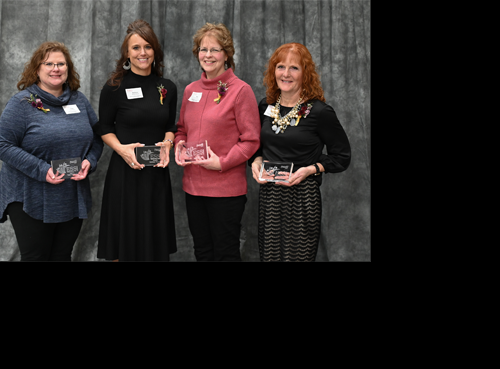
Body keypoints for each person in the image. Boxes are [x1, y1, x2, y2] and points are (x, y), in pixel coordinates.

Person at [0, 41, 103, 261]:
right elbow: (2, 145)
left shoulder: (79, 100)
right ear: (37, 69)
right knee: (36, 257)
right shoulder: (22, 103)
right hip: (29, 194)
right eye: (49, 63)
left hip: (70, 193)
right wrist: (42, 170)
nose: (56, 68)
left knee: (62, 255)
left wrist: (90, 161)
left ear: (68, 69)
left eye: (61, 64)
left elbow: (97, 138)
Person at [250, 42, 351, 262]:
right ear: (273, 70)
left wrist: (311, 169)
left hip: (302, 198)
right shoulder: (265, 106)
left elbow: (342, 157)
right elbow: (255, 144)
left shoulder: (320, 112)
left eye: (294, 68)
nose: (286, 74)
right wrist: (255, 160)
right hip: (270, 196)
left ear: (305, 74)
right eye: (281, 66)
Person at [174, 22, 260, 261]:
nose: (208, 55)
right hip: (193, 187)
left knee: (225, 253)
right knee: (202, 251)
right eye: (203, 49)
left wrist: (221, 163)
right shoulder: (191, 90)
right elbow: (182, 129)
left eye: (215, 49)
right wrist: (179, 145)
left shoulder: (241, 91)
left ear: (226, 54)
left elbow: (251, 140)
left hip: (226, 190)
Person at [93, 19, 177, 261]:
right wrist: (122, 150)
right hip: (125, 173)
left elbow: (170, 126)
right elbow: (104, 127)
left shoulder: (167, 87)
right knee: (124, 242)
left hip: (156, 175)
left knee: (154, 243)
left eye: (148, 47)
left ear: (155, 51)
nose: (143, 53)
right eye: (136, 47)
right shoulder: (114, 88)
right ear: (126, 53)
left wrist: (167, 144)